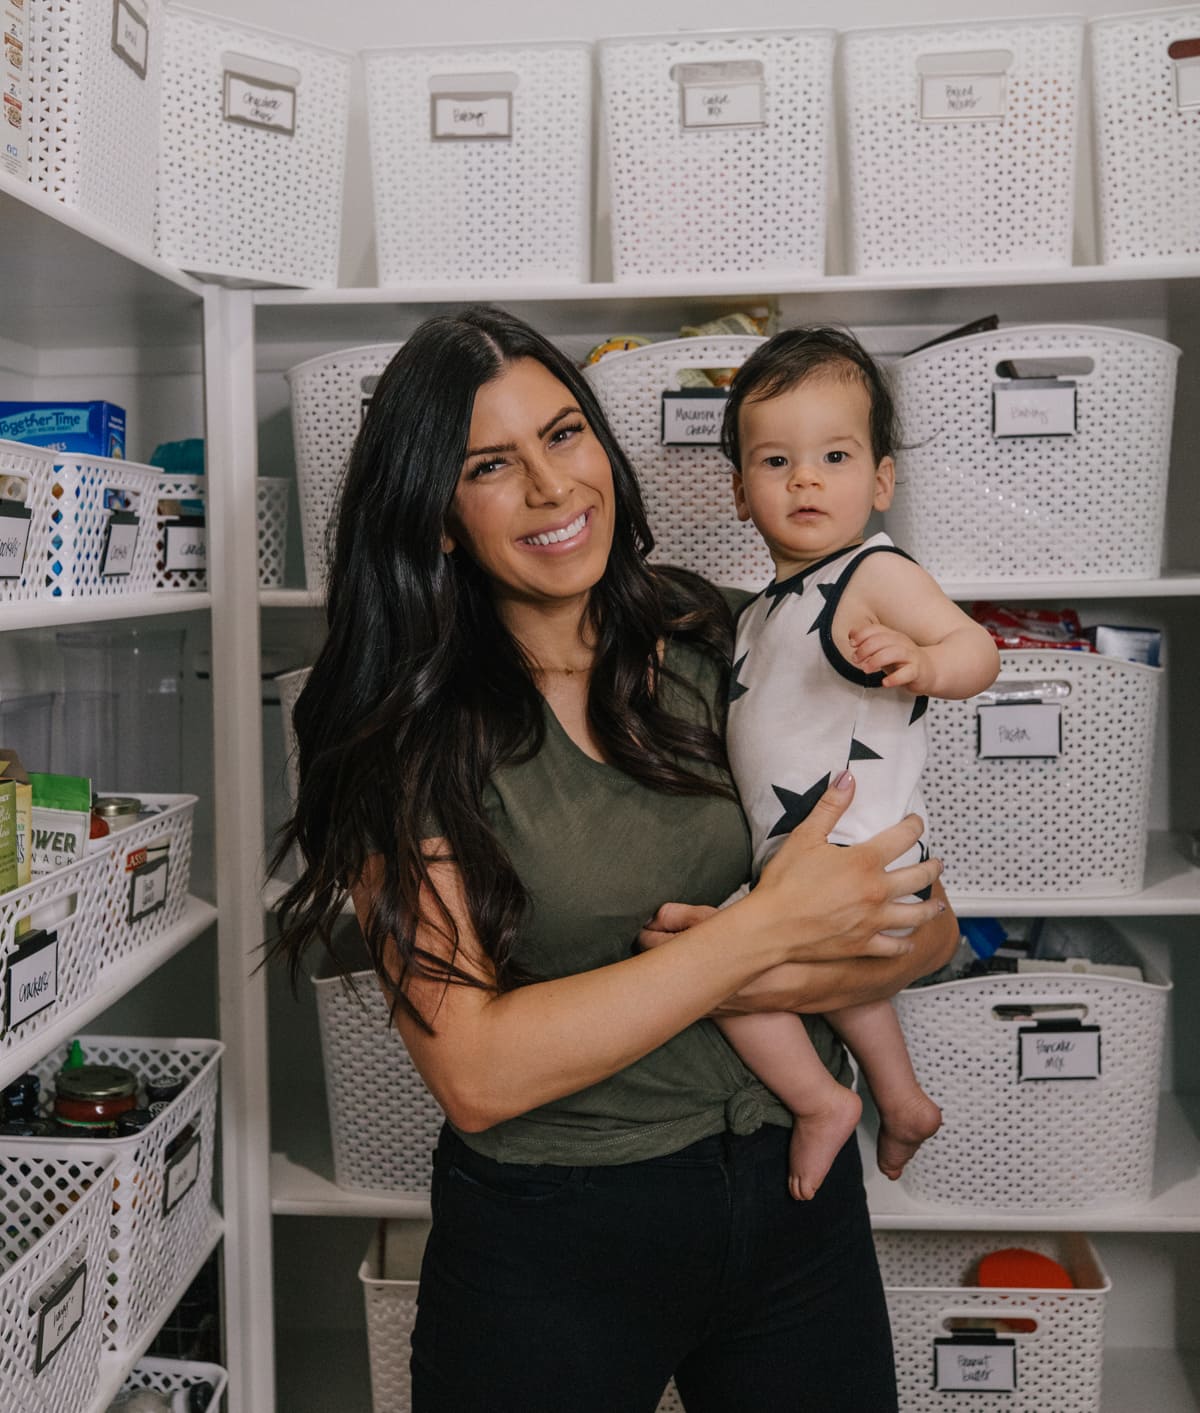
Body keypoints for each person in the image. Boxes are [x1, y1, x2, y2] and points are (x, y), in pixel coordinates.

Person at [270, 306, 958, 1413]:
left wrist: (762, 961)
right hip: (554, 1249)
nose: (552, 489)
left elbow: (928, 925)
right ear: (436, 516)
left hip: (797, 1204)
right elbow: (479, 1075)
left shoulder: (721, 633)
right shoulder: (394, 736)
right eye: (491, 464)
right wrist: (759, 936)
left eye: (565, 434)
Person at [693, 326, 1000, 1203]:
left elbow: (977, 649)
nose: (805, 478)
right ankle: (900, 1099)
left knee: (703, 972)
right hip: (802, 861)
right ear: (742, 493)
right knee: (832, 987)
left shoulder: (873, 572)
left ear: (881, 479)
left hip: (855, 856)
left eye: (834, 454)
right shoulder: (758, 613)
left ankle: (823, 1101)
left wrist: (924, 662)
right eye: (775, 460)